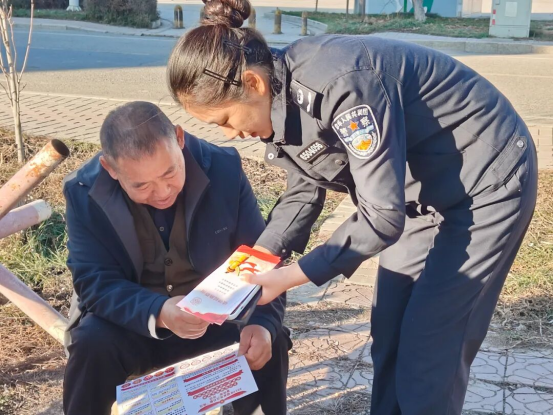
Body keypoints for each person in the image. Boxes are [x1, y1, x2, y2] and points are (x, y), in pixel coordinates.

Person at [166, 1, 539, 414]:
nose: (230, 134)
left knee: (431, 347)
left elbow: (381, 218)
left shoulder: (342, 85)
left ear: (252, 84)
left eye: (224, 121)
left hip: (483, 184)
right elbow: (303, 192)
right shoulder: (279, 96)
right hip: (416, 194)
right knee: (390, 329)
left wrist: (289, 277)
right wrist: (254, 262)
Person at [62, 101, 290, 415]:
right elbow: (94, 282)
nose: (162, 192)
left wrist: (263, 324)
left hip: (215, 318)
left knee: (267, 339)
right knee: (91, 343)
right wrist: (159, 312)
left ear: (179, 139)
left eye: (170, 172)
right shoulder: (84, 191)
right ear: (111, 169)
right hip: (134, 322)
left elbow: (261, 254)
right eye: (141, 185)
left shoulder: (223, 168)